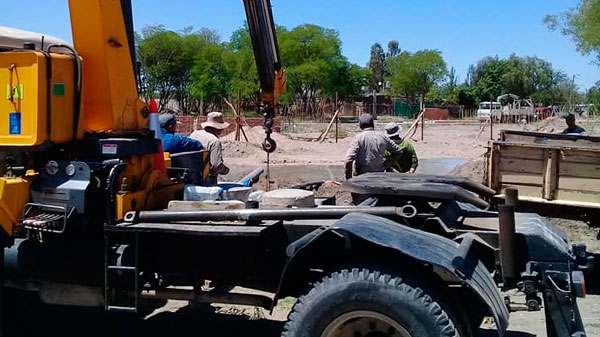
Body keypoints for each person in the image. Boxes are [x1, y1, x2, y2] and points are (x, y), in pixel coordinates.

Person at [344, 113, 402, 180]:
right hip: (379, 176)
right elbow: (398, 152)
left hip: (362, 177)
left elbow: (348, 160)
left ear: (360, 125)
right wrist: (385, 165)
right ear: (373, 124)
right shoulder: (382, 137)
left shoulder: (359, 138)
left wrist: (348, 179)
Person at [190, 112, 231, 184]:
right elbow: (216, 165)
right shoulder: (214, 141)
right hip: (206, 178)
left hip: (191, 174)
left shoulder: (194, 134)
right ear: (218, 128)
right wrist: (225, 170)